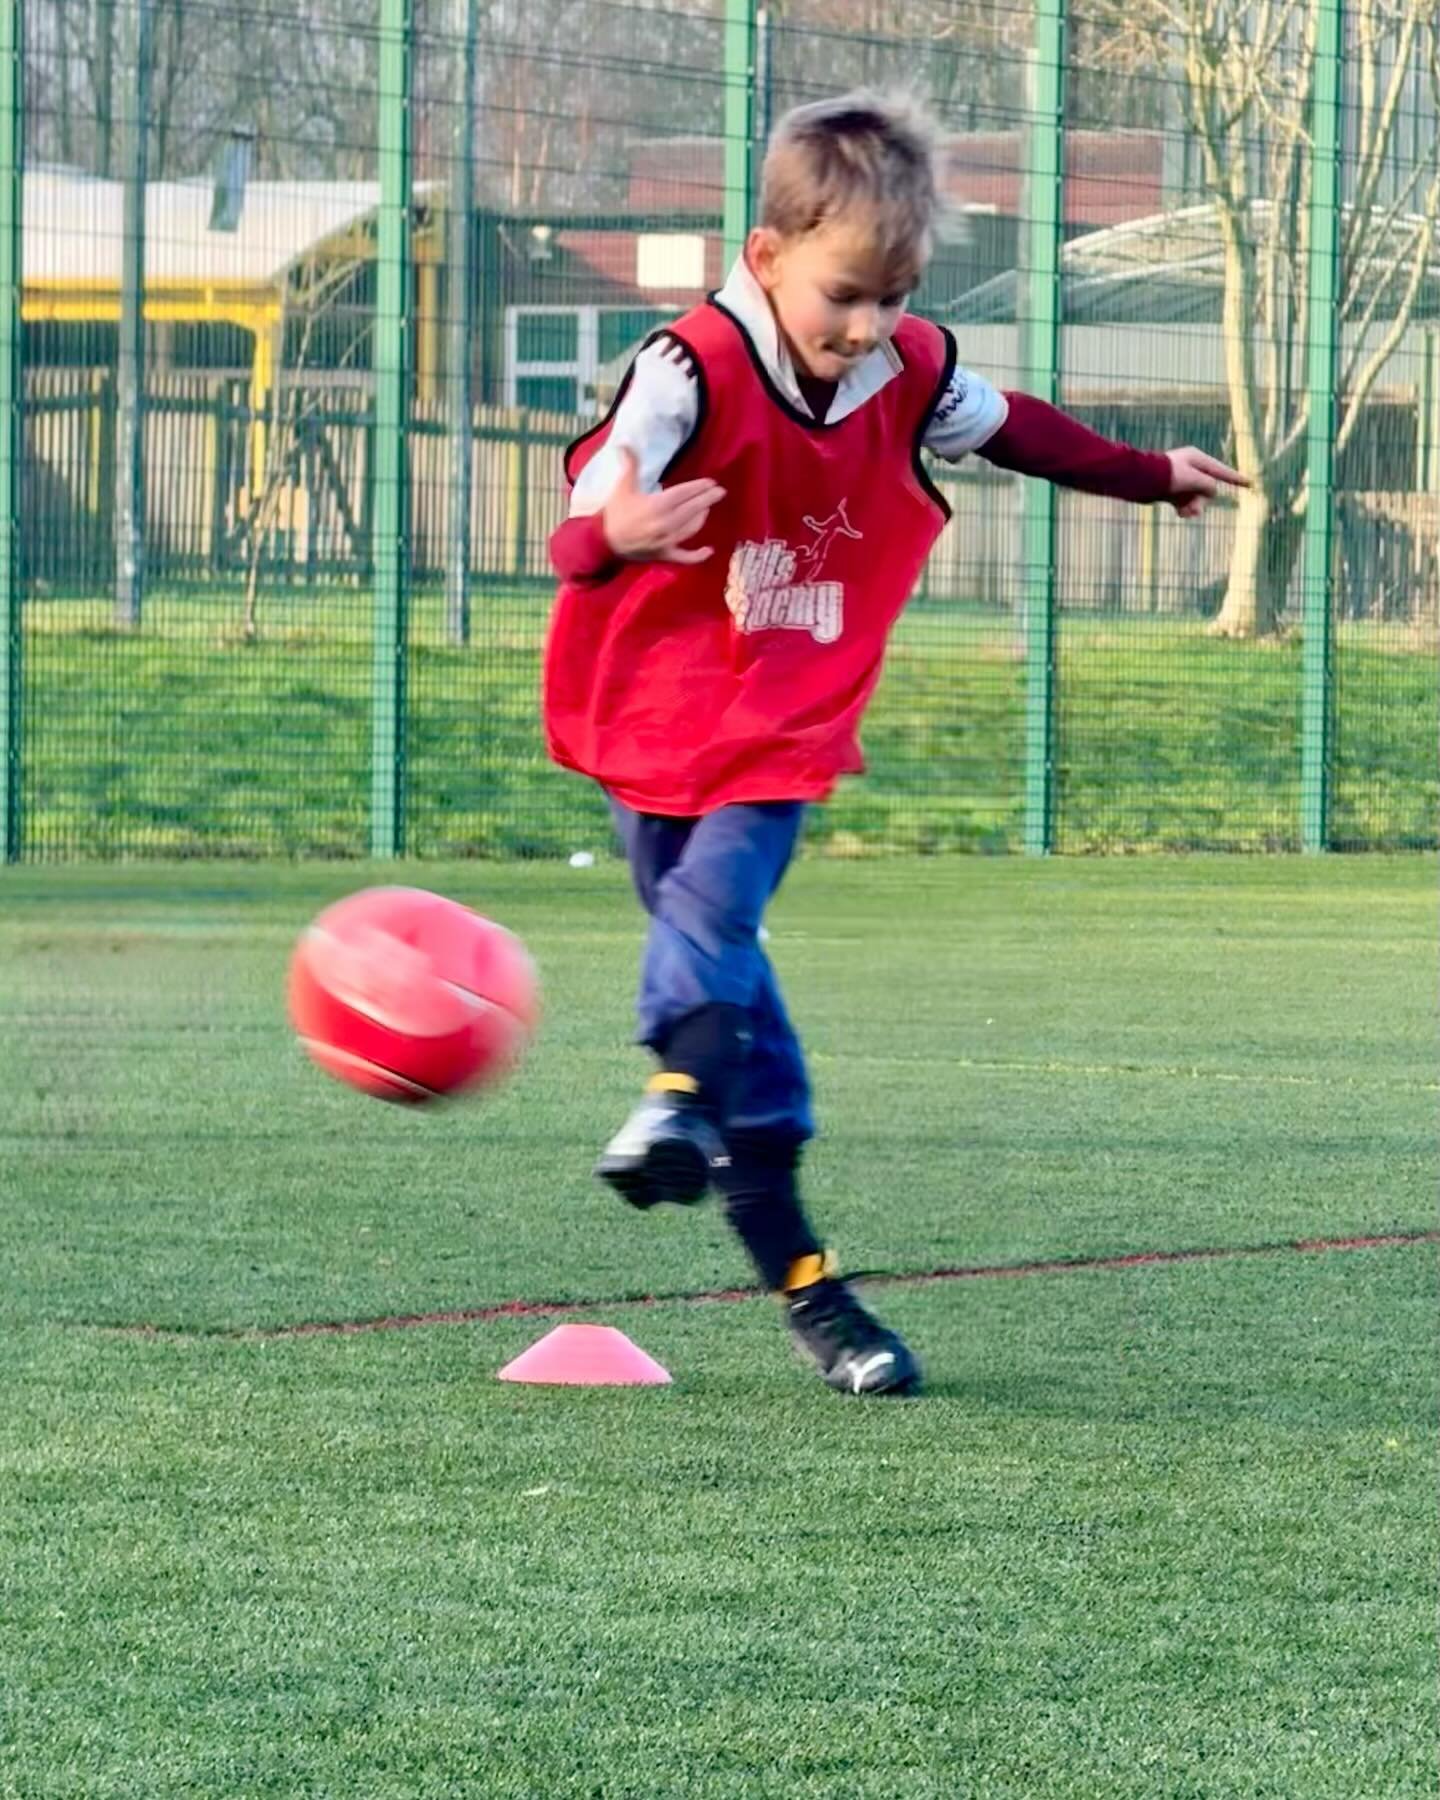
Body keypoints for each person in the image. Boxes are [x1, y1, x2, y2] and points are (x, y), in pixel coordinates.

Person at [542, 91, 1246, 1397]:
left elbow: (1016, 426)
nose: (869, 328)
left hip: (784, 714)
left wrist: (1154, 474)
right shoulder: (686, 367)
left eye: (897, 296)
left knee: (721, 899)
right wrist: (616, 536)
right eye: (848, 296)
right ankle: (811, 1284)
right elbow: (584, 515)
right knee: (751, 1022)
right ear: (766, 258)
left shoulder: (902, 364)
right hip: (651, 706)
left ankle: (677, 1107)